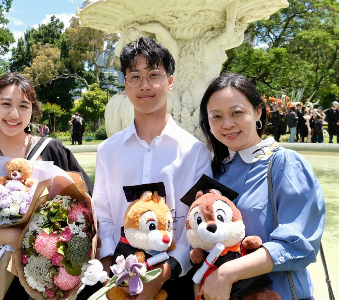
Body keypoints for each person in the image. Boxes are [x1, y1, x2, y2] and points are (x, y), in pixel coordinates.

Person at [0, 72, 93, 300]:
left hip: (51, 274)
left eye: (23, 105)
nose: (14, 114)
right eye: (5, 104)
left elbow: (85, 205)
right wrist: (12, 236)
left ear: (32, 110)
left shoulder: (52, 151)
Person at [92, 37, 212, 299]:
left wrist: (164, 273)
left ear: (170, 82)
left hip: (174, 279)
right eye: (135, 76)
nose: (144, 85)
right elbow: (102, 213)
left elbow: (196, 222)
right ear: (125, 83)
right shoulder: (108, 151)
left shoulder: (195, 152)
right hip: (116, 275)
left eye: (154, 75)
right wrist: (106, 263)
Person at [198, 73, 324, 299]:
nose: (227, 124)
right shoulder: (214, 170)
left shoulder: (285, 163)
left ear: (258, 112)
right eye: (216, 116)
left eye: (237, 112)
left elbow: (300, 245)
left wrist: (228, 272)